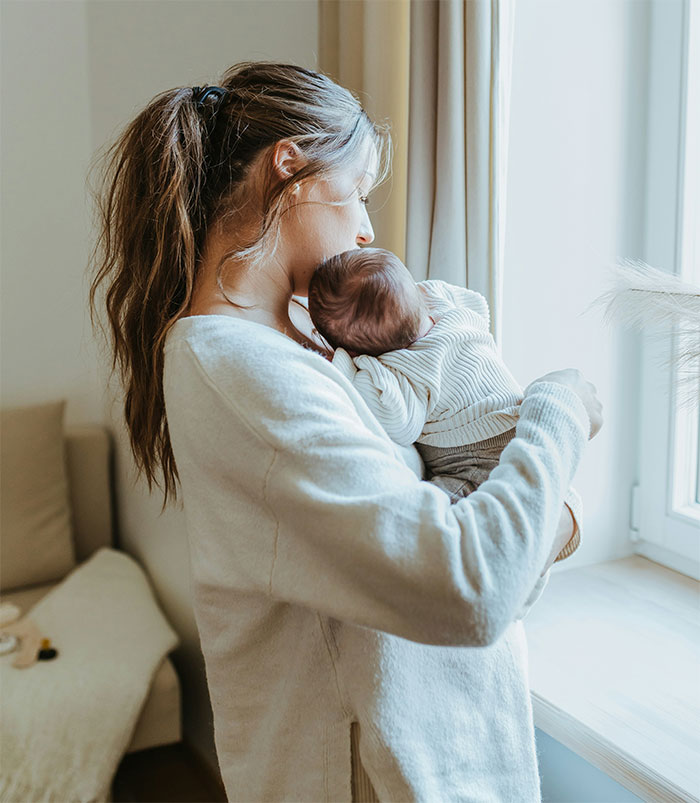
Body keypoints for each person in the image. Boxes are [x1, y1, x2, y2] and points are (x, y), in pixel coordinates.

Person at [89, 61, 603, 802]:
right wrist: (559, 415)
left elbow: (464, 567)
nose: (366, 225)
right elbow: (471, 585)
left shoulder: (304, 336)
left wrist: (546, 523)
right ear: (290, 168)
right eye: (358, 188)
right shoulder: (237, 367)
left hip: (434, 764)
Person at [306, 247, 583, 564]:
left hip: (475, 458)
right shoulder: (443, 302)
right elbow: (478, 304)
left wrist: (348, 363)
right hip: (514, 418)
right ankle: (539, 522)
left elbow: (398, 424)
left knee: (438, 526)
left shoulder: (401, 370)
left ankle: (521, 549)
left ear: (355, 347)